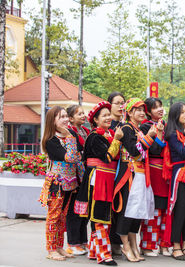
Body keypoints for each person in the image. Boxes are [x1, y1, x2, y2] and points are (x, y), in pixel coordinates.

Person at [113, 98, 162, 262]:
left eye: (143, 109)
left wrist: (152, 137)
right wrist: (149, 137)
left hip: (140, 174)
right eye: (137, 109)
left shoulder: (137, 129)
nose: (141, 112)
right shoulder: (126, 128)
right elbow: (135, 152)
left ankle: (134, 245)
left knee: (137, 212)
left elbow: (147, 150)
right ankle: (126, 247)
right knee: (128, 210)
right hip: (130, 174)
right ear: (129, 112)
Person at [75, 101, 123, 266]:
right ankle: (104, 254)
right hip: (98, 179)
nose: (109, 117)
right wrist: (116, 140)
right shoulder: (95, 137)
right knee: (100, 216)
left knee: (103, 215)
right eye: (104, 115)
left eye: (109, 114)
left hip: (106, 178)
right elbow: (108, 157)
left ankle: (95, 251)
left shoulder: (106, 135)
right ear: (95, 120)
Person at [39, 106, 83, 261]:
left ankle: (59, 246)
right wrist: (70, 137)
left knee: (62, 217)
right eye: (61, 117)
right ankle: (51, 249)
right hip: (57, 183)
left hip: (70, 183)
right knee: (53, 216)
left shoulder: (69, 136)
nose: (65, 119)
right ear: (53, 121)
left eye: (66, 116)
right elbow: (71, 157)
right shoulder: (51, 140)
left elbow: (78, 157)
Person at [164, 102, 185, 261]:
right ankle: (176, 246)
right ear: (175, 116)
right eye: (182, 112)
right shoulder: (172, 134)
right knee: (180, 210)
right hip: (181, 175)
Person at [139, 97, 171, 257]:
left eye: (160, 106)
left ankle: (163, 243)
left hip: (166, 171)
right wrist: (158, 133)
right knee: (154, 208)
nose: (159, 109)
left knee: (165, 209)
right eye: (155, 107)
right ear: (148, 111)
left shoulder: (166, 126)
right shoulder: (146, 127)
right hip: (154, 169)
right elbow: (155, 150)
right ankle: (148, 244)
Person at [64, 105, 90, 256]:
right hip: (74, 174)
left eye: (83, 113)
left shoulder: (85, 131)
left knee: (83, 209)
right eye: (79, 114)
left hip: (85, 173)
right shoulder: (69, 132)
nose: (83, 115)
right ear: (71, 118)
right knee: (74, 210)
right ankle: (72, 243)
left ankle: (82, 241)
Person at [107, 92, 125, 254]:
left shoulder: (126, 124)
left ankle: (117, 242)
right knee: (109, 207)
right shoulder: (107, 125)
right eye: (118, 103)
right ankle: (106, 242)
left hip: (124, 171)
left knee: (121, 207)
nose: (121, 106)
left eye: (123, 103)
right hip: (109, 170)